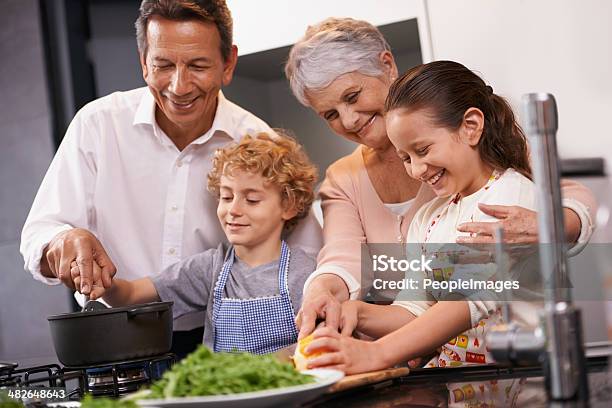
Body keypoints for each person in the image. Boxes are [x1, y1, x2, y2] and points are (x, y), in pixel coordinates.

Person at [20, 0, 321, 356]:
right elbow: (40, 233)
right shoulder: (98, 124)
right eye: (163, 65)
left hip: (213, 345)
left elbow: (310, 259)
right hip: (116, 336)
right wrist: (65, 240)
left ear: (228, 64)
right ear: (144, 63)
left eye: (197, 65)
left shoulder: (258, 141)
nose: (179, 86)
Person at [284, 17, 597, 341]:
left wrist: (547, 224)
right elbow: (344, 258)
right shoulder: (345, 180)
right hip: (419, 362)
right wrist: (326, 291)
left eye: (352, 96)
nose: (349, 119)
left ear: (387, 66)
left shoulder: (499, 176)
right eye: (330, 115)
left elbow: (565, 196)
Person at [302, 61, 538, 375]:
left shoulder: (512, 197)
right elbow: (414, 309)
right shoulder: (429, 217)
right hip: (458, 386)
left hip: (521, 385)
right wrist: (354, 312)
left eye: (423, 150)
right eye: (406, 158)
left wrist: (377, 354)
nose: (416, 170)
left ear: (470, 126)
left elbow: (470, 301)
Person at [68, 133, 317, 354]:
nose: (233, 210)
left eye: (251, 200)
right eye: (226, 196)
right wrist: (104, 282)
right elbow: (132, 294)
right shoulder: (211, 267)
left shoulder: (305, 273)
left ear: (289, 206)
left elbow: (314, 343)